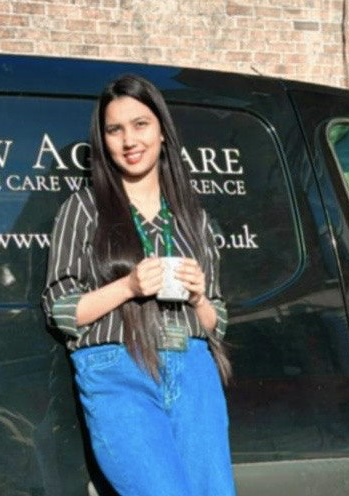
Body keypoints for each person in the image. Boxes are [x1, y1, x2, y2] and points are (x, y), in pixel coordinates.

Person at [41, 74, 236, 496]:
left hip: (194, 368)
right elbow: (60, 310)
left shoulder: (191, 216)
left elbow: (217, 320)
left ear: (162, 131)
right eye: (115, 129)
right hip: (118, 369)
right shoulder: (85, 207)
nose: (129, 140)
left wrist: (200, 296)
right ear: (104, 140)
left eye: (140, 124)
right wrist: (127, 285)